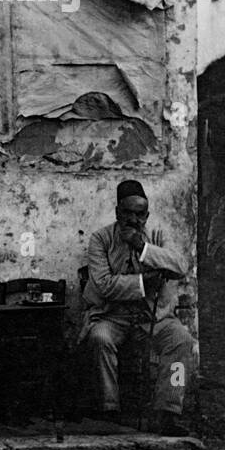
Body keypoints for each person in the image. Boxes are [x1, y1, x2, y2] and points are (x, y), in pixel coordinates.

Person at [80, 179, 196, 436]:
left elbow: (179, 266)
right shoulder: (101, 239)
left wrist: (142, 248)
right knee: (99, 338)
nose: (133, 219)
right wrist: (144, 282)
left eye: (140, 214)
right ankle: (110, 410)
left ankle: (169, 410)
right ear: (117, 212)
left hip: (153, 317)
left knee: (182, 340)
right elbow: (103, 285)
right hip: (113, 315)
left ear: (147, 214)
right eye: (127, 213)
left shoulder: (158, 236)